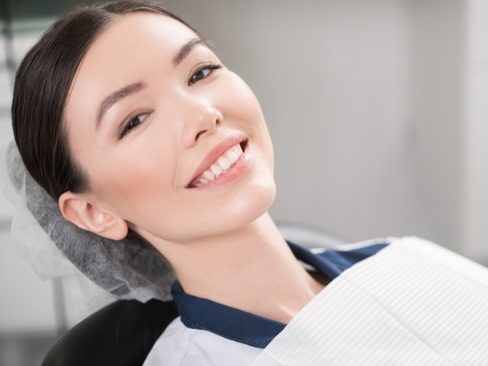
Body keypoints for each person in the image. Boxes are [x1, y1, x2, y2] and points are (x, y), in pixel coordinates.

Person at [7, 1, 488, 365]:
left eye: (200, 71)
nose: (202, 113)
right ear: (95, 212)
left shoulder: (404, 257)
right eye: (134, 121)